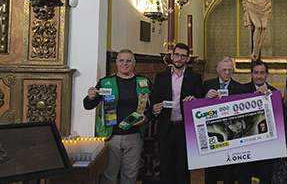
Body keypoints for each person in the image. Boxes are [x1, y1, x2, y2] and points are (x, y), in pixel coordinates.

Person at [83, 49, 152, 184]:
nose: (124, 64)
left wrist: (147, 118)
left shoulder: (144, 82)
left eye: (128, 61)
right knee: (108, 175)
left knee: (130, 176)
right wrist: (90, 97)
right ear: (116, 63)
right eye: (121, 60)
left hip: (134, 137)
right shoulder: (105, 82)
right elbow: (88, 105)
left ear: (134, 63)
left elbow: (152, 107)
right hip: (111, 137)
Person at [151, 43, 204, 184]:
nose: (179, 58)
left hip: (185, 129)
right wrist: (155, 108)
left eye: (183, 56)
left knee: (183, 168)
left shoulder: (195, 78)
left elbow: (200, 101)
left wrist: (194, 100)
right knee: (166, 167)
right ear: (172, 56)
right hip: (166, 128)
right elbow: (155, 98)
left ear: (187, 58)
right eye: (177, 55)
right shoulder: (161, 77)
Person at [203, 57, 242, 184]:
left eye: (230, 70)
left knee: (229, 171)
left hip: (230, 134)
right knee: (210, 169)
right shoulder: (207, 85)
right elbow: (198, 106)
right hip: (212, 133)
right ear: (217, 70)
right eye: (224, 70)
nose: (227, 73)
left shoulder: (238, 88)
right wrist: (205, 97)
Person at [237, 60, 277, 184]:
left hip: (265, 143)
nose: (259, 76)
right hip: (246, 142)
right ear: (251, 74)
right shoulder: (242, 89)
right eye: (256, 73)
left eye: (262, 73)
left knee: (265, 176)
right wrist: (254, 97)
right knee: (244, 176)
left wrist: (267, 97)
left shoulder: (274, 93)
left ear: (267, 74)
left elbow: (277, 118)